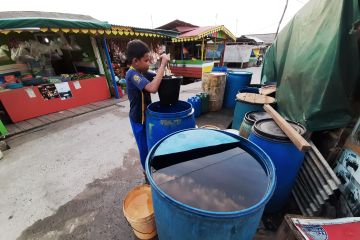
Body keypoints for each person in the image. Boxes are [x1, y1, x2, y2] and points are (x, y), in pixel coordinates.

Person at [125, 39, 170, 172]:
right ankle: (147, 173)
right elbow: (152, 88)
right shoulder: (132, 74)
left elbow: (156, 77)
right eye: (146, 61)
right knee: (144, 147)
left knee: (151, 142)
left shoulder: (141, 71)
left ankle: (152, 164)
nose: (148, 63)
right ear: (135, 61)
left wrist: (162, 68)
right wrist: (162, 65)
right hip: (138, 120)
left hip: (147, 117)